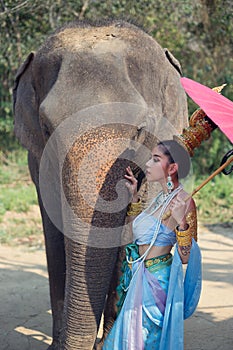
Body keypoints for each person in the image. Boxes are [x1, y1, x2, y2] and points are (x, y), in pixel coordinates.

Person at [103, 139, 202, 350]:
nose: (148, 164)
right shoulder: (159, 198)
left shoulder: (185, 202)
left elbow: (186, 257)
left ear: (172, 168)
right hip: (138, 276)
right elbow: (143, 235)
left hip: (157, 283)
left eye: (155, 159)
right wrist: (135, 196)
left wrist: (182, 223)